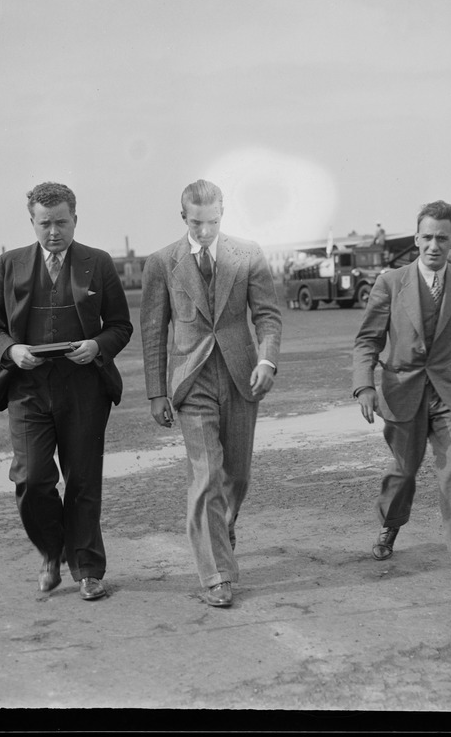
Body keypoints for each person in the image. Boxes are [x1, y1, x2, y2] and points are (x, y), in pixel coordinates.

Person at [0, 182, 133, 600]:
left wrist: (97, 346)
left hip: (84, 388)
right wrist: (12, 349)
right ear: (32, 221)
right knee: (31, 478)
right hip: (27, 390)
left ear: (75, 220)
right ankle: (51, 551)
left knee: (83, 480)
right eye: (44, 223)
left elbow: (121, 325)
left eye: (61, 222)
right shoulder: (9, 264)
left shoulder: (97, 263)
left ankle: (87, 569)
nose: (54, 232)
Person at [141, 179, 282, 608]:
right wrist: (155, 393)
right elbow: (152, 330)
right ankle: (216, 575)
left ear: (223, 216)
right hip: (192, 381)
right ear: (183, 217)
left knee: (236, 476)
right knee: (205, 477)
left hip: (242, 377)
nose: (206, 231)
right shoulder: (162, 262)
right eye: (197, 223)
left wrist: (267, 361)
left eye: (214, 222)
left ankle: (222, 525)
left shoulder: (248, 254)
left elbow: (269, 317)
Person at [352, 200, 451, 589]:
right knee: (403, 471)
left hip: (448, 392)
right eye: (427, 237)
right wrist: (364, 386)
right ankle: (390, 524)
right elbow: (367, 340)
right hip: (401, 391)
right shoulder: (390, 283)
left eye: (442, 238)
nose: (434, 246)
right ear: (417, 239)